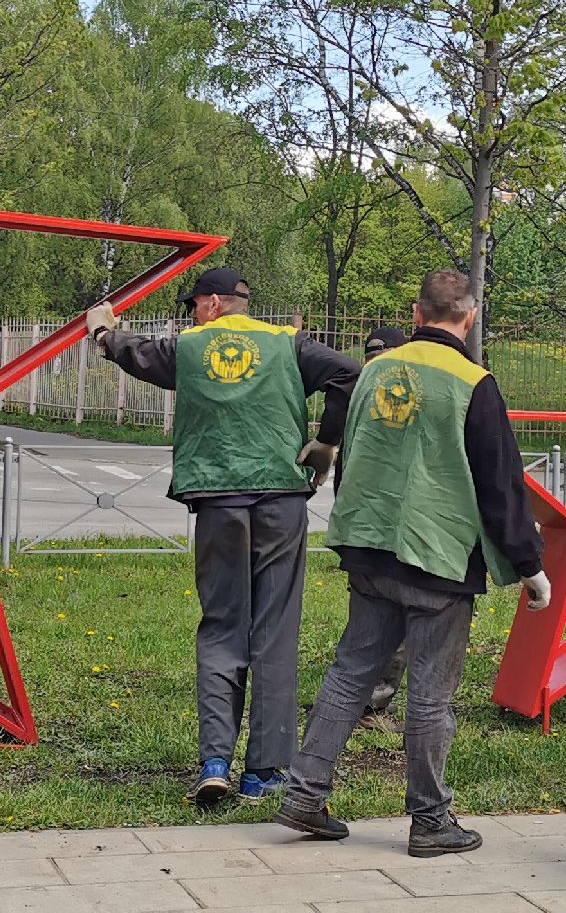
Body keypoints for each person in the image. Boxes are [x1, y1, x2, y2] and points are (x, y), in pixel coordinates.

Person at [273, 270, 548, 856]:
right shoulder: (474, 382)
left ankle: (304, 793)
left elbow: (353, 447)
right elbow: (501, 485)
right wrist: (529, 564)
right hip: (437, 558)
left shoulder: (373, 370)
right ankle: (430, 821)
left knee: (350, 674)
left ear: (417, 314)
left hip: (369, 547)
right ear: (467, 320)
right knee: (430, 695)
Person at [86, 267, 360, 808]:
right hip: (280, 500)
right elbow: (350, 375)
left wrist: (102, 333)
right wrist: (326, 442)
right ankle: (265, 773)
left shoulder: (188, 348)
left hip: (216, 500)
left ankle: (215, 761)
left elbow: (137, 353)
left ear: (211, 304)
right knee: (275, 632)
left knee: (221, 627)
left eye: (194, 305)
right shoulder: (287, 345)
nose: (192, 314)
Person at [350, 326, 412, 733]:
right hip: (400, 526)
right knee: (401, 621)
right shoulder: (408, 392)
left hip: (362, 525)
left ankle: (356, 699)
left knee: (368, 620)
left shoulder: (360, 391)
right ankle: (372, 707)